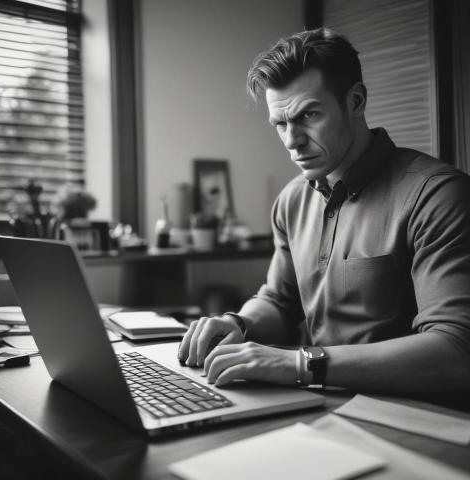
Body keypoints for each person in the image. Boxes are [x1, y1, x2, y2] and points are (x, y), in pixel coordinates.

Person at [178, 27, 470, 394]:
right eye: (280, 124)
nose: (291, 141)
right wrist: (239, 323)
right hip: (320, 403)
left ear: (356, 101)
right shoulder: (292, 200)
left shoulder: (437, 195)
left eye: (309, 115)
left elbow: (456, 350)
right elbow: (280, 302)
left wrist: (299, 363)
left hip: (412, 414)